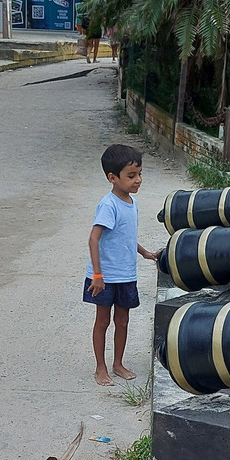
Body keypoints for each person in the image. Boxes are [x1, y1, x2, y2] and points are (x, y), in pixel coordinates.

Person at [84, 144, 160, 386]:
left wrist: (145, 253)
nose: (138, 180)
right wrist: (97, 274)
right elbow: (94, 238)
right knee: (103, 321)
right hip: (105, 277)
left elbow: (125, 236)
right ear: (112, 178)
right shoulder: (109, 205)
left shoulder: (131, 203)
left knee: (123, 321)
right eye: (131, 176)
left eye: (139, 174)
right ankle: (100, 368)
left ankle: (118, 363)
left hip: (126, 275)